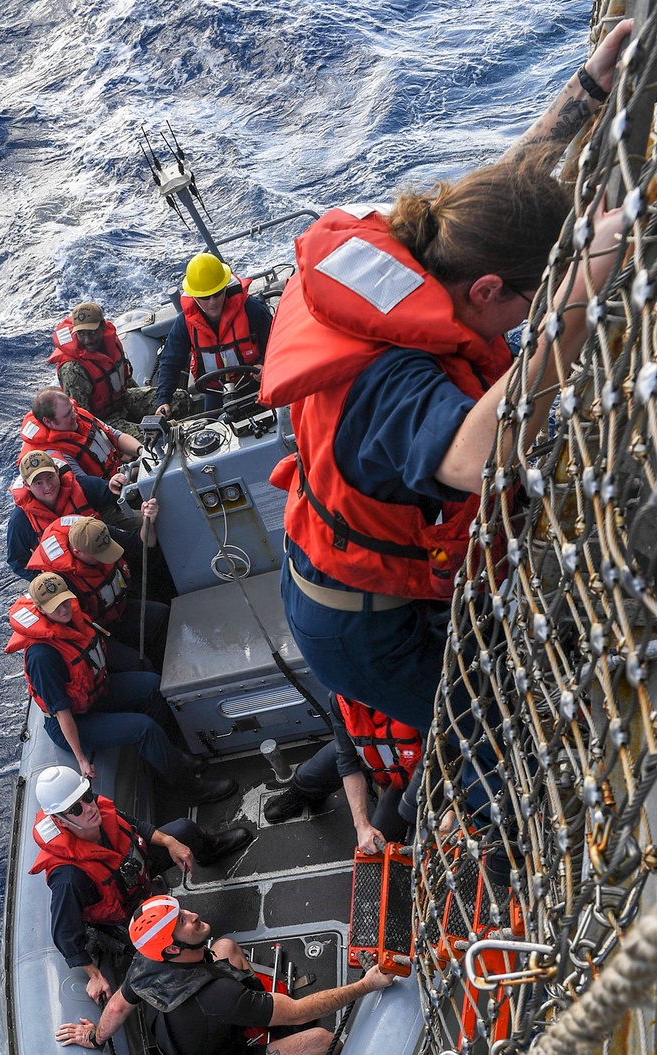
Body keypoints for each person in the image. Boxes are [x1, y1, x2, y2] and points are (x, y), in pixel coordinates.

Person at [259, 22, 632, 741]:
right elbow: (474, 459)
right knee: (495, 740)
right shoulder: (393, 379)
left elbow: (488, 209)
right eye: (529, 302)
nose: (530, 316)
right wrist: (576, 292)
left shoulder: (421, 251)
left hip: (365, 575)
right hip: (363, 630)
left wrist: (583, 97)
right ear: (488, 291)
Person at [56, 896, 393, 1055]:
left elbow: (116, 1007)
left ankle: (277, 1025)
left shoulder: (146, 964)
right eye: (182, 922)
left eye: (182, 910)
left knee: (228, 947)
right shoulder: (218, 996)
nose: (193, 915)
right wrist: (365, 984)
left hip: (204, 1037)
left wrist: (96, 1037)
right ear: (172, 949)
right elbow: (304, 1009)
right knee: (321, 1042)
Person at [5, 572, 235, 802]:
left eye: (65, 601)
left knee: (151, 684)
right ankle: (189, 788)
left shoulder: (71, 619)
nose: (63, 609)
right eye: (55, 606)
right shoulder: (42, 656)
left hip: (95, 693)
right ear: (40, 609)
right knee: (143, 728)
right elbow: (61, 711)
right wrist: (81, 760)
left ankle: (168, 756)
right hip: (74, 720)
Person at [31, 766, 253, 1003]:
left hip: (137, 869)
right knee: (164, 953)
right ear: (59, 820)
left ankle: (209, 851)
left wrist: (170, 842)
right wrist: (94, 974)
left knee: (183, 830)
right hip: (124, 912)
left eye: (87, 796)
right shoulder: (68, 877)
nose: (88, 807)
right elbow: (65, 934)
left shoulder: (97, 810)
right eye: (76, 808)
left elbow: (136, 825)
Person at [265, 692, 422, 850]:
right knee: (306, 777)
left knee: (375, 843)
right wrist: (361, 825)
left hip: (409, 782)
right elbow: (346, 760)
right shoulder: (340, 697)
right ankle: (301, 795)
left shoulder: (419, 698)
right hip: (369, 754)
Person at [26, 512, 169, 668]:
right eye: (98, 555)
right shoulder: (61, 580)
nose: (105, 558)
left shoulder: (96, 533)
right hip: (95, 632)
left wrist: (148, 521)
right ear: (78, 553)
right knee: (138, 663)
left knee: (162, 615)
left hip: (117, 609)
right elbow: (68, 623)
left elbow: (138, 544)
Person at [155, 252, 273, 416]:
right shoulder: (184, 323)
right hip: (215, 392)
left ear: (225, 287)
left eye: (217, 293)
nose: (212, 302)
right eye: (205, 297)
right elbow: (170, 361)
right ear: (194, 296)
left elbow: (275, 340)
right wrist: (163, 400)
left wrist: (264, 364)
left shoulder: (251, 308)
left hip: (256, 383)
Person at [49, 301, 163, 439]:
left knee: (180, 399)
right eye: (81, 334)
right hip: (104, 422)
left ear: (102, 327)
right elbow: (82, 418)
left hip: (123, 400)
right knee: (154, 437)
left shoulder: (112, 343)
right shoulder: (73, 369)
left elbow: (126, 378)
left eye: (92, 333)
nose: (87, 340)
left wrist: (143, 403)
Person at [6, 449, 120, 581]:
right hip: (70, 581)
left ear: (57, 470)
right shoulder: (20, 521)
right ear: (27, 485)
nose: (48, 486)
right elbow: (17, 560)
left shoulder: (84, 486)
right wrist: (44, 580)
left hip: (106, 556)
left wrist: (117, 485)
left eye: (50, 477)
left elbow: (116, 497)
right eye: (38, 483)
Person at [19, 388, 145, 483]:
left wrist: (142, 451)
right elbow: (91, 487)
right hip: (109, 493)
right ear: (48, 422)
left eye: (72, 408)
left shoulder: (80, 415)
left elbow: (116, 436)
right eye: (67, 414)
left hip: (123, 470)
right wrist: (136, 471)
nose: (75, 415)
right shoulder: (55, 455)